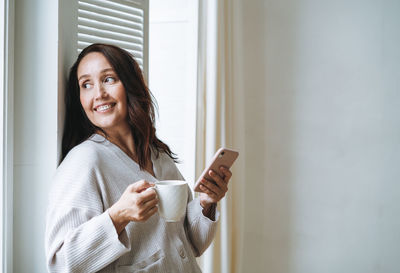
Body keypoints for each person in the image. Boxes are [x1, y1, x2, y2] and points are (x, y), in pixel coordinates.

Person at [45, 43, 232, 273]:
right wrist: (118, 216)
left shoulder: (157, 154)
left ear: (130, 84)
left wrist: (205, 202)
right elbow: (61, 263)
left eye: (109, 79)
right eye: (86, 85)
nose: (99, 94)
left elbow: (190, 244)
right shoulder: (84, 162)